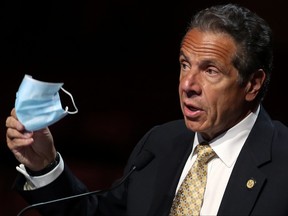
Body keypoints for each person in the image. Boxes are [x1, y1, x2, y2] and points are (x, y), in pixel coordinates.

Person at [6, 3, 288, 216]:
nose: (188, 84)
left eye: (210, 70)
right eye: (184, 64)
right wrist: (45, 165)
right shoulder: (160, 144)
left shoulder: (283, 162)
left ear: (252, 84)